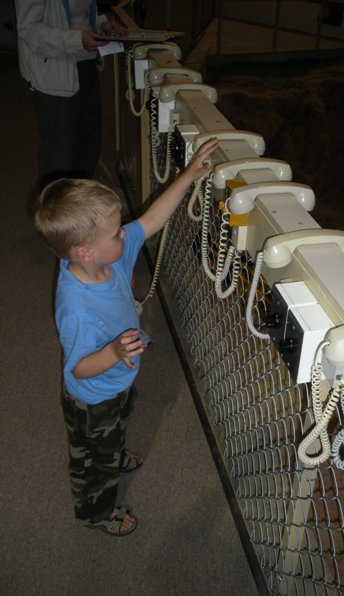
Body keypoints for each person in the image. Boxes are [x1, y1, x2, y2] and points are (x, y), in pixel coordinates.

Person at [32, 138, 219, 536]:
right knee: (93, 461)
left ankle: (113, 450)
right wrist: (115, 352)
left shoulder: (107, 257)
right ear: (85, 252)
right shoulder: (76, 307)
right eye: (115, 233)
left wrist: (187, 176)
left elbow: (152, 221)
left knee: (118, 425)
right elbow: (80, 368)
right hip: (93, 396)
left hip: (117, 382)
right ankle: (97, 512)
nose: (124, 236)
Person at [15, 0, 126, 188]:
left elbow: (80, 14)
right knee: (59, 155)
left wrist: (100, 24)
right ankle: (53, 212)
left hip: (85, 64)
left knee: (88, 147)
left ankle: (79, 210)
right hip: (53, 70)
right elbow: (29, 29)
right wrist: (77, 40)